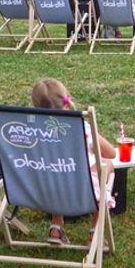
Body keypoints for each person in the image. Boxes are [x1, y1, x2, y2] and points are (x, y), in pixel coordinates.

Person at [31, 79, 116, 245]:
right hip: (83, 190)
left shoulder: (32, 131)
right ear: (66, 100)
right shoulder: (81, 128)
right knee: (108, 166)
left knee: (55, 171)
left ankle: (56, 226)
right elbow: (111, 153)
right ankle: (95, 230)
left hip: (43, 187)